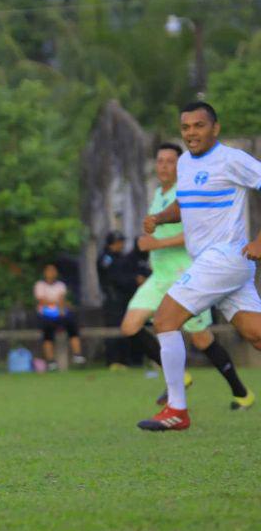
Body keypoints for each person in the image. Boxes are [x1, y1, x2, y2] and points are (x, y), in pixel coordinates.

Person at [139, 101, 261, 431]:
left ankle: (177, 409)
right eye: (186, 127)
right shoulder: (185, 165)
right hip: (219, 265)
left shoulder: (231, 159)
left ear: (215, 128)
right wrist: (161, 218)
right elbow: (187, 202)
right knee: (256, 334)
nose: (192, 133)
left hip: (223, 259)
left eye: (199, 126)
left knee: (164, 319)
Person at [120, 143, 253, 408]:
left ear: (180, 165)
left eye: (170, 161)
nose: (164, 166)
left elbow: (191, 234)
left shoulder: (190, 192)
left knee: (203, 339)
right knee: (130, 326)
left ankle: (241, 393)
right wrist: (153, 226)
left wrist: (156, 244)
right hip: (159, 277)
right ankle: (179, 378)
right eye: (159, 161)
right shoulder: (159, 193)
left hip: (187, 274)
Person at [98, 231, 140, 368]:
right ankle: (113, 361)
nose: (122, 245)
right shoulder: (106, 258)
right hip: (113, 299)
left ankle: (128, 360)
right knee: (113, 329)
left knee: (127, 328)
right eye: (119, 242)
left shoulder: (122, 257)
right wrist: (134, 280)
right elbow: (114, 278)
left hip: (125, 299)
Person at [34, 263, 86, 369]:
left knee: (72, 325)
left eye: (53, 271)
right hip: (45, 314)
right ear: (45, 273)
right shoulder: (40, 285)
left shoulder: (60, 285)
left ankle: (77, 354)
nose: (51, 273)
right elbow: (42, 301)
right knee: (48, 332)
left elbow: (61, 301)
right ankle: (51, 360)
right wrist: (56, 303)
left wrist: (58, 305)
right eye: (49, 271)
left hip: (59, 313)